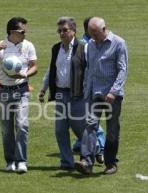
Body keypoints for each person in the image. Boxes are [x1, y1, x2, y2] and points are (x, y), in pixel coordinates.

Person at [75, 17, 128, 175]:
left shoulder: (119, 43)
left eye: (96, 34)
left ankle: (110, 163)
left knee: (112, 130)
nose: (93, 38)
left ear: (104, 29)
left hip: (112, 95)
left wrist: (114, 91)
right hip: (94, 94)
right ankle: (86, 162)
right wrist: (86, 90)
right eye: (91, 34)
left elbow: (123, 70)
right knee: (89, 126)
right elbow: (90, 70)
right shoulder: (90, 44)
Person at [0, 17, 38, 173]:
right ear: (12, 32)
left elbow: (35, 66)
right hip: (3, 91)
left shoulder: (28, 46)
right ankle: (10, 161)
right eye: (22, 31)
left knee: (22, 125)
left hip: (21, 90)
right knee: (6, 129)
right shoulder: (1, 46)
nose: (25, 33)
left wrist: (24, 75)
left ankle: (21, 161)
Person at [38, 17, 86, 170]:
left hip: (78, 94)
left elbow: (91, 71)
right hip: (60, 94)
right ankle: (67, 162)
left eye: (65, 30)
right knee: (60, 130)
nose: (61, 33)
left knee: (79, 128)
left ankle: (92, 153)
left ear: (74, 31)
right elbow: (51, 70)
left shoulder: (83, 48)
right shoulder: (56, 48)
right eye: (59, 31)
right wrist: (43, 89)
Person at [72, 16, 106, 165]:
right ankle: (85, 145)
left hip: (88, 88)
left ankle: (99, 149)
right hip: (83, 87)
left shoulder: (87, 44)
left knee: (90, 121)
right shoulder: (85, 43)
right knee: (86, 120)